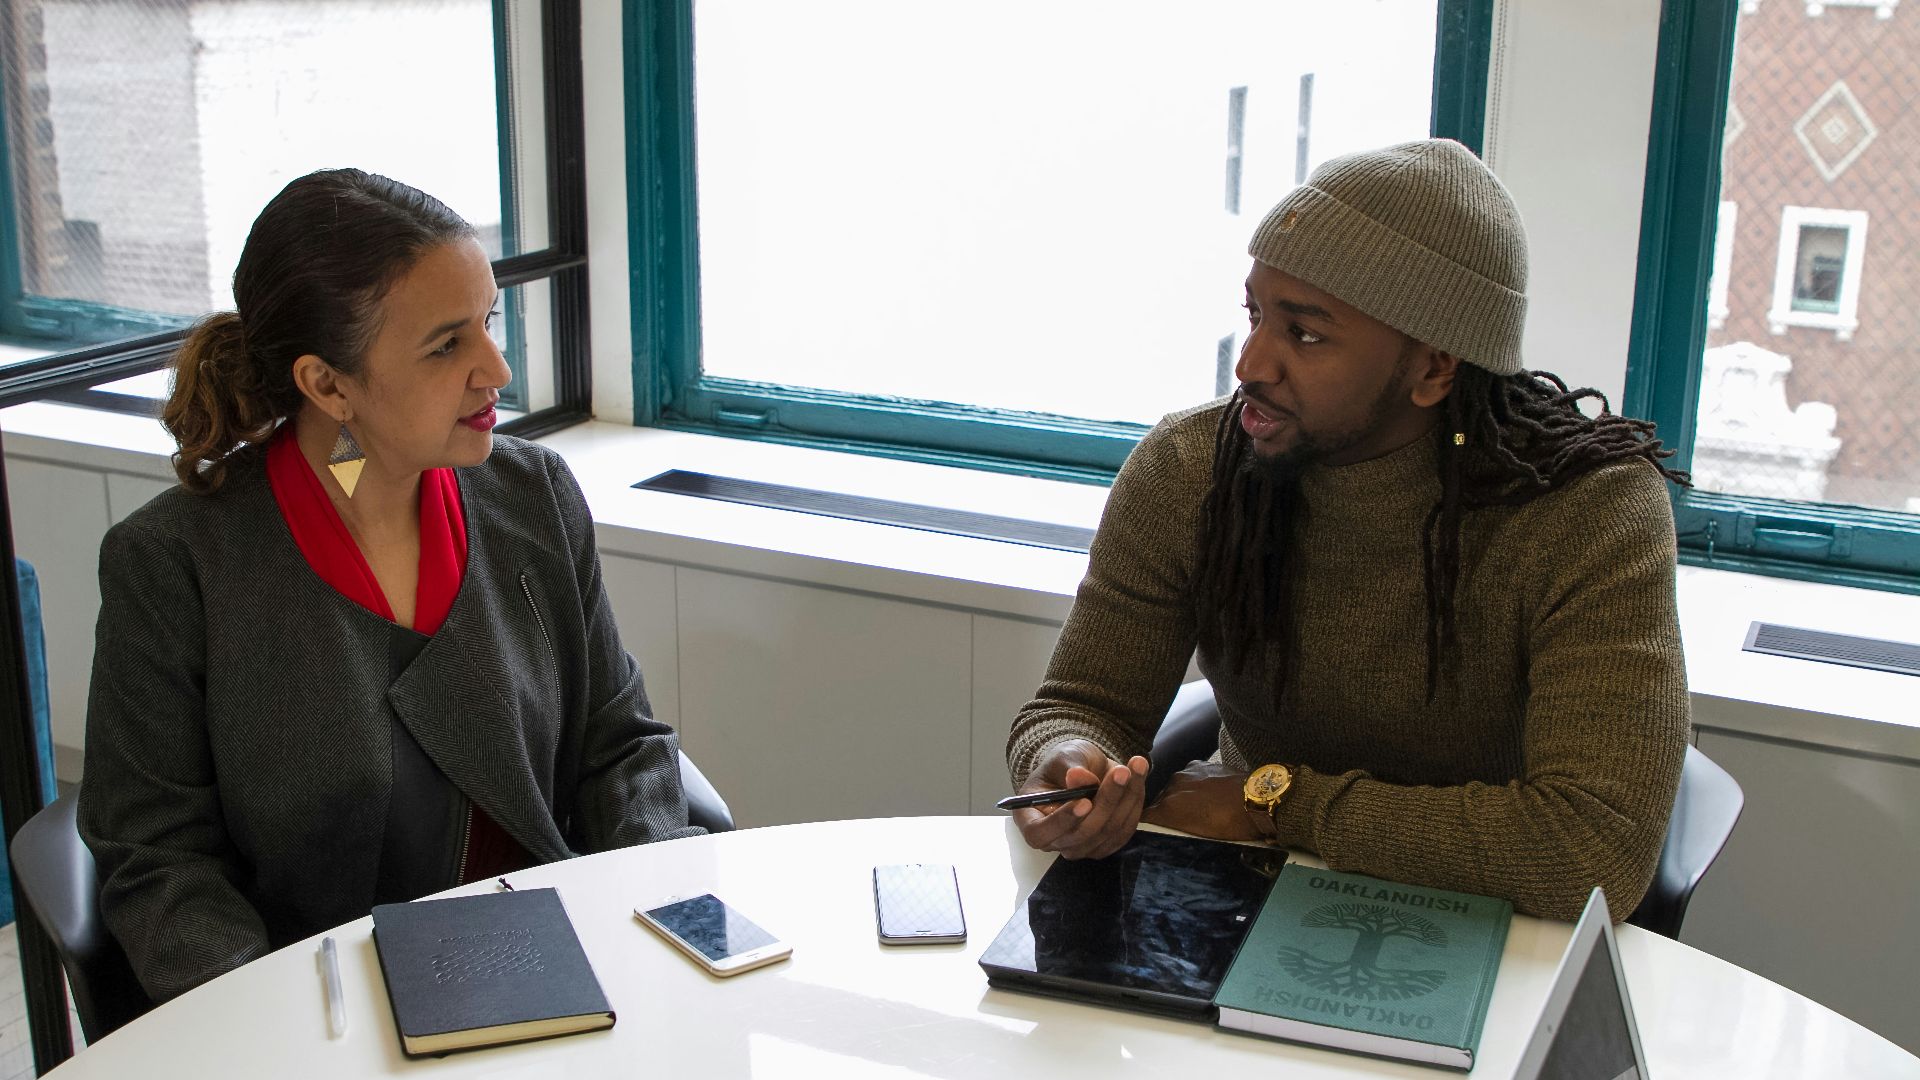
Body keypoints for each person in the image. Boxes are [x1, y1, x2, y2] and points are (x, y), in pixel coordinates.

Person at [1005, 139, 1689, 921]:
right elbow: (1078, 703)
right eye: (1255, 315)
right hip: (1246, 906)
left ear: (1435, 370)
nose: (1250, 364)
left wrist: (1275, 805)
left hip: (1493, 927)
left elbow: (1590, 852)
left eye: (1305, 334)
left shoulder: (1589, 513)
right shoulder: (1192, 467)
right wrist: (1063, 763)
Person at [79, 169, 701, 1003]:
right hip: (324, 1009)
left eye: (487, 322)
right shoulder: (176, 563)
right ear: (327, 385)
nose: (497, 370)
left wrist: (653, 905)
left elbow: (620, 745)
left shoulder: (535, 497)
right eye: (447, 346)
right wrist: (263, 1026)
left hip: (558, 968)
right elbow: (158, 856)